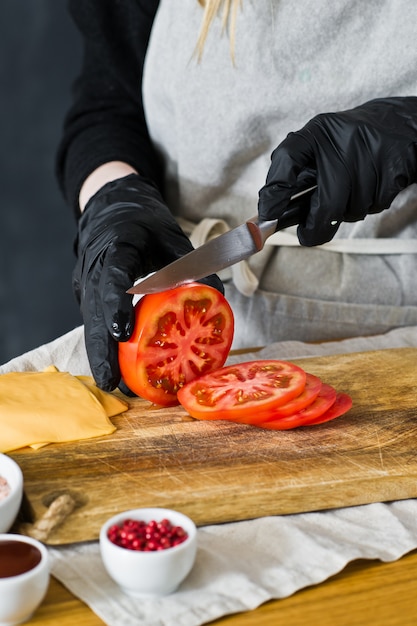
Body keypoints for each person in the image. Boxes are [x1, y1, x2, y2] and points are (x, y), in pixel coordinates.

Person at [57, 0, 417, 392]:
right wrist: (113, 195)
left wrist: (410, 129)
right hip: (189, 325)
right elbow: (110, 102)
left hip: (394, 345)